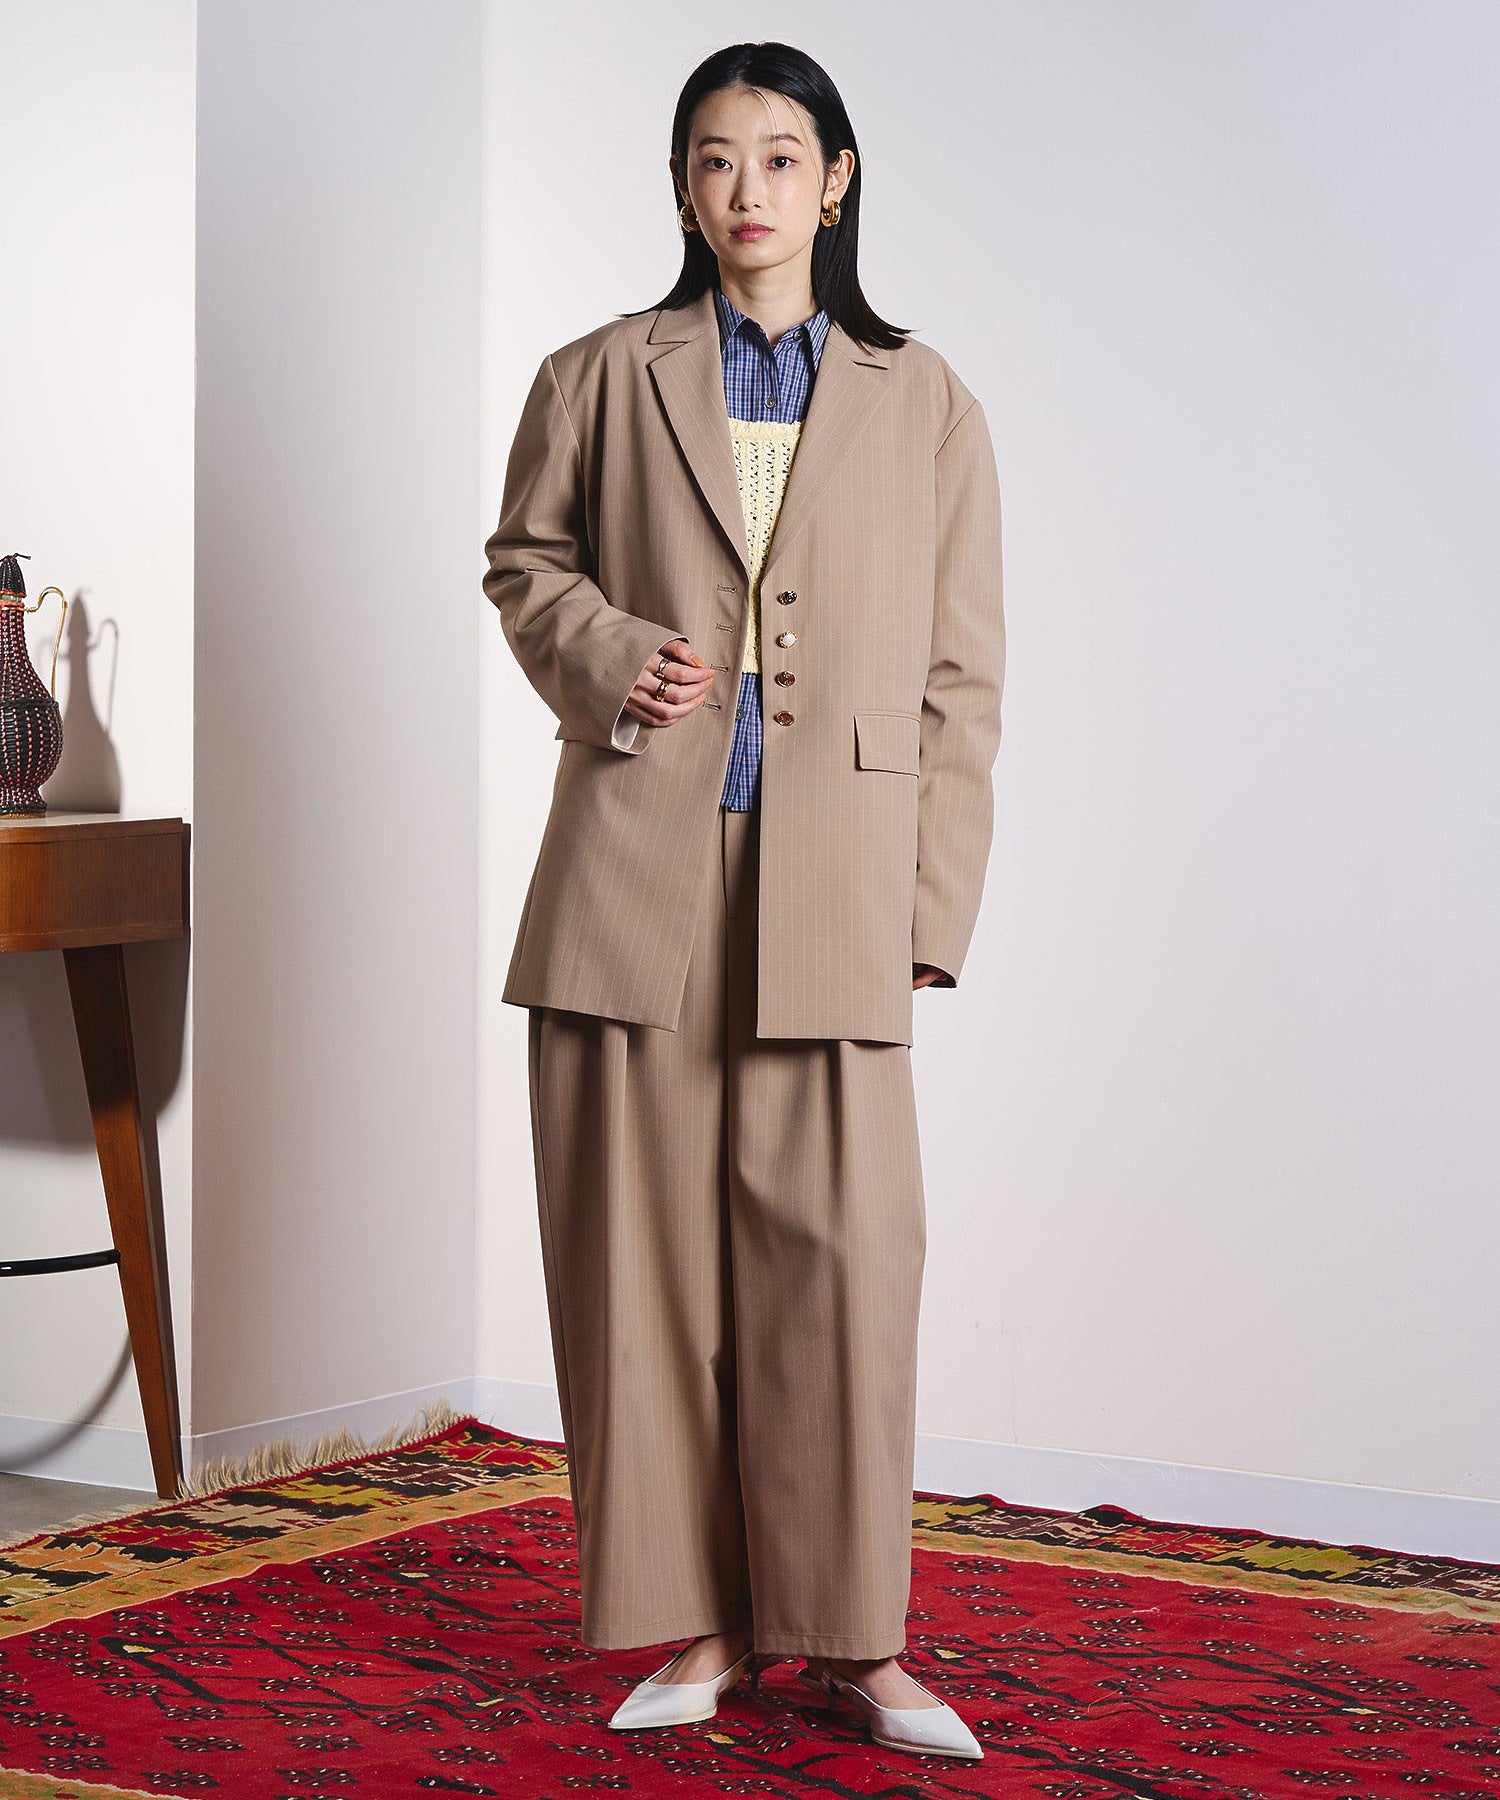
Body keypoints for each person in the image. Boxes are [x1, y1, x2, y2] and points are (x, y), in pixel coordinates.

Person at [483, 40, 1004, 1763]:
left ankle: (857, 1639)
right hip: (635, 877)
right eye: (716, 159)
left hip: (837, 885)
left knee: (843, 1269)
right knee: (642, 1273)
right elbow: (525, 565)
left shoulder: (925, 401)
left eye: (783, 157)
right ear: (682, 188)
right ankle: (699, 1626)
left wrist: (928, 914)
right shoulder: (594, 377)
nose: (750, 188)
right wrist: (611, 656)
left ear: (836, 180)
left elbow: (961, 680)